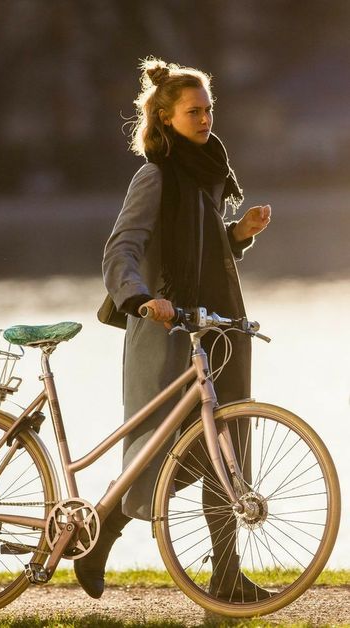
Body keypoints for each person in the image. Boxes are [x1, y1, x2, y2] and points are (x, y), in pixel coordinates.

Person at [75, 58, 272, 601]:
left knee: (226, 450)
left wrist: (238, 234)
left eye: (209, 109)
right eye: (193, 111)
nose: (205, 118)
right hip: (168, 329)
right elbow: (123, 248)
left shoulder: (206, 171)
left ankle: (227, 578)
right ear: (164, 117)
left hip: (219, 327)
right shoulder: (157, 174)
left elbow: (204, 252)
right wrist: (139, 299)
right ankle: (98, 541)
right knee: (157, 453)